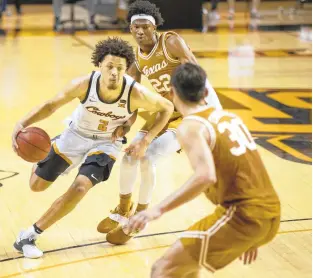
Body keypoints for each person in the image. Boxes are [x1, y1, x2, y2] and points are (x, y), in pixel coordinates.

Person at [11, 37, 174, 259]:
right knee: (36, 186)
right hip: (75, 135)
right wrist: (22, 124)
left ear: (126, 69)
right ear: (99, 66)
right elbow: (51, 105)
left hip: (107, 143)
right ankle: (47, 160)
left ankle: (29, 235)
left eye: (120, 68)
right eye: (109, 67)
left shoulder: (135, 93)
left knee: (80, 187)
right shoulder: (84, 84)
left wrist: (145, 139)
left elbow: (167, 107)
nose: (115, 73)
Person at [126, 63, 281, 277]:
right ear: (206, 91)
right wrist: (251, 235)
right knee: (187, 268)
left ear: (172, 93)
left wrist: (158, 209)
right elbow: (253, 168)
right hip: (269, 213)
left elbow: (205, 176)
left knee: (162, 269)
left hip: (243, 215)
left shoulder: (191, 126)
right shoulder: (230, 118)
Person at [97, 1, 222, 244]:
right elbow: (133, 96)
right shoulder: (137, 58)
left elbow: (197, 74)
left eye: (145, 26)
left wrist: (201, 111)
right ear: (131, 29)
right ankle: (123, 208)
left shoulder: (170, 41)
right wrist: (125, 124)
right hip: (167, 110)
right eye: (136, 27)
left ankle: (140, 217)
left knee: (147, 156)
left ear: (154, 27)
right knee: (130, 155)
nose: (140, 31)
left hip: (190, 112)